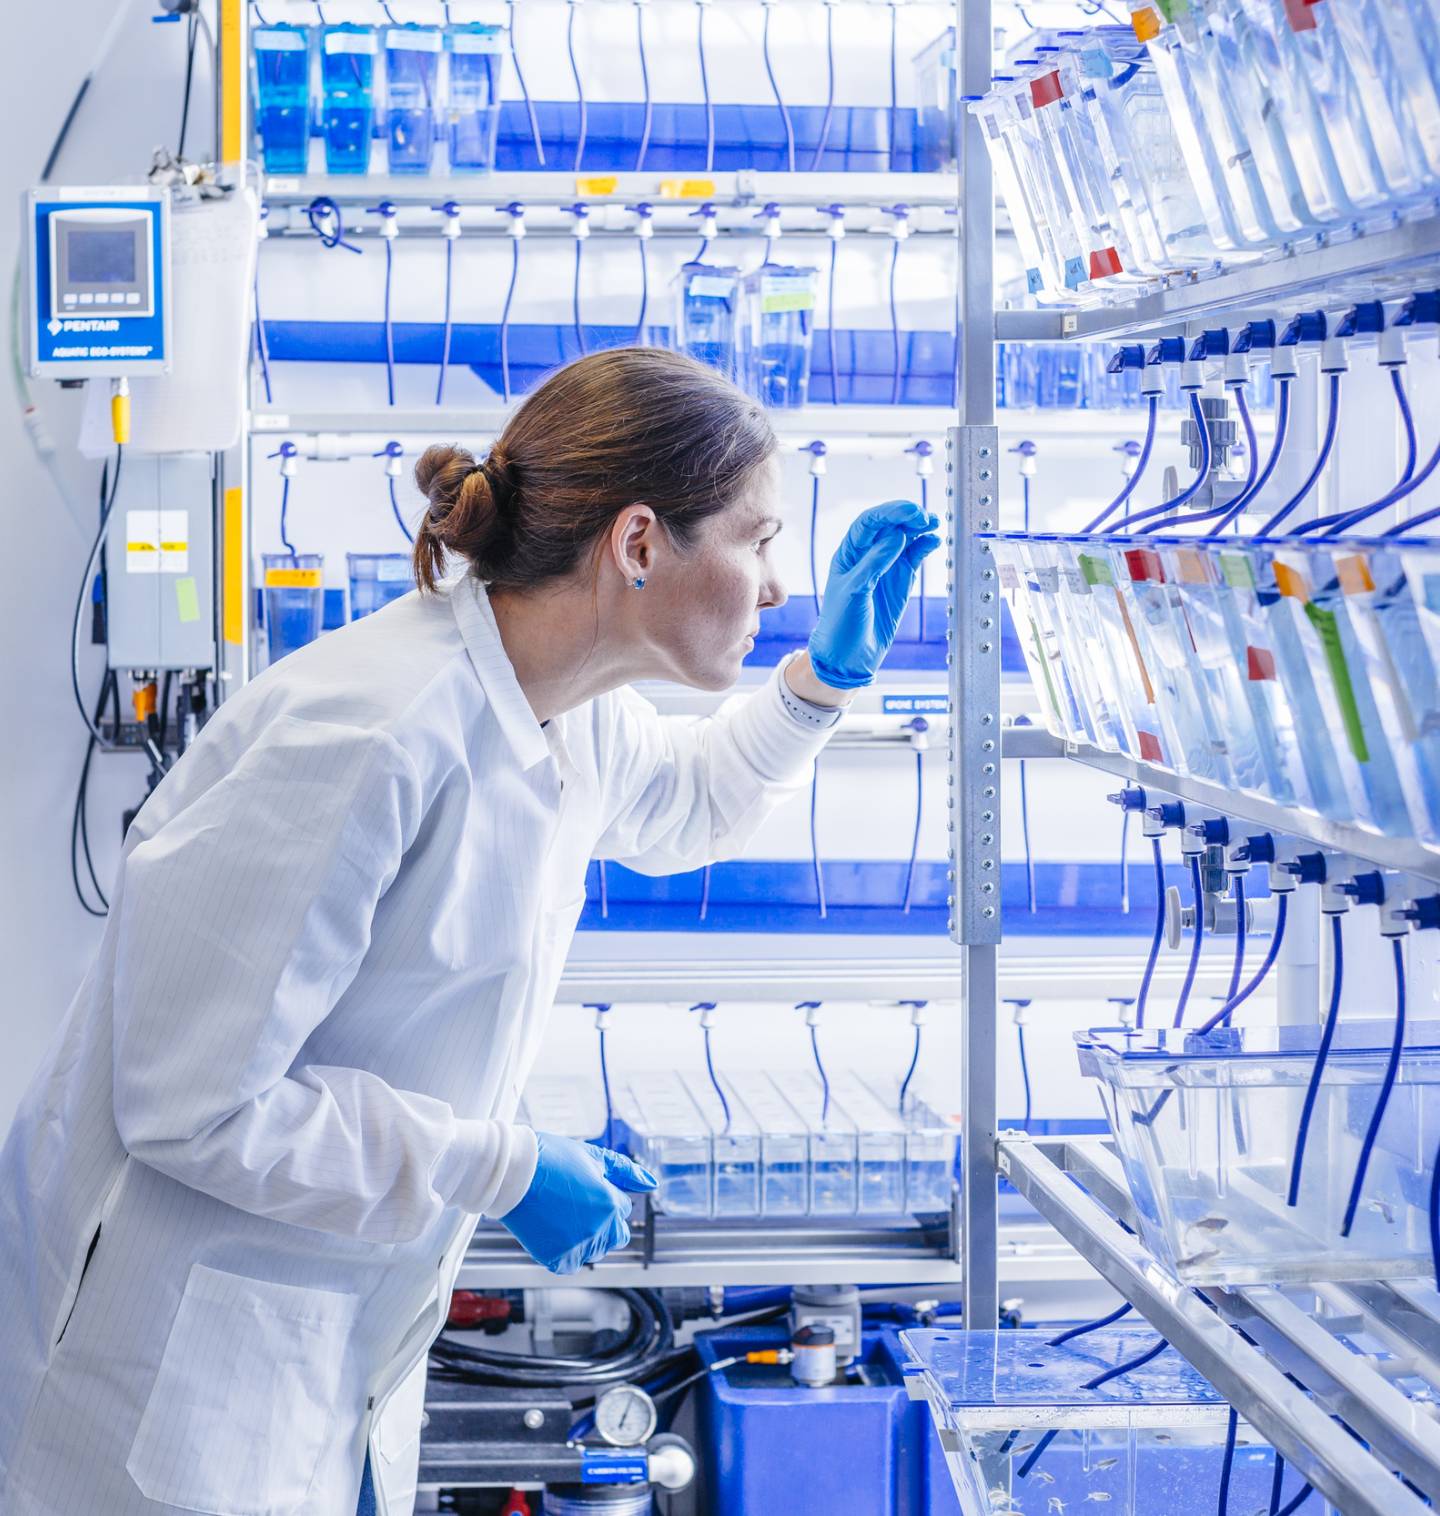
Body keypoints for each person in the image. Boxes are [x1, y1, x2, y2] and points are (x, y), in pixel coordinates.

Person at [0, 348, 938, 1516]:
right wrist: (502, 1164)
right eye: (759, 540)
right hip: (156, 1377)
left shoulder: (568, 712)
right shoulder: (368, 734)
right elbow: (187, 1102)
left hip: (304, 1356)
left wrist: (821, 681)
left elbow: (688, 800)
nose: (778, 584)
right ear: (639, 544)